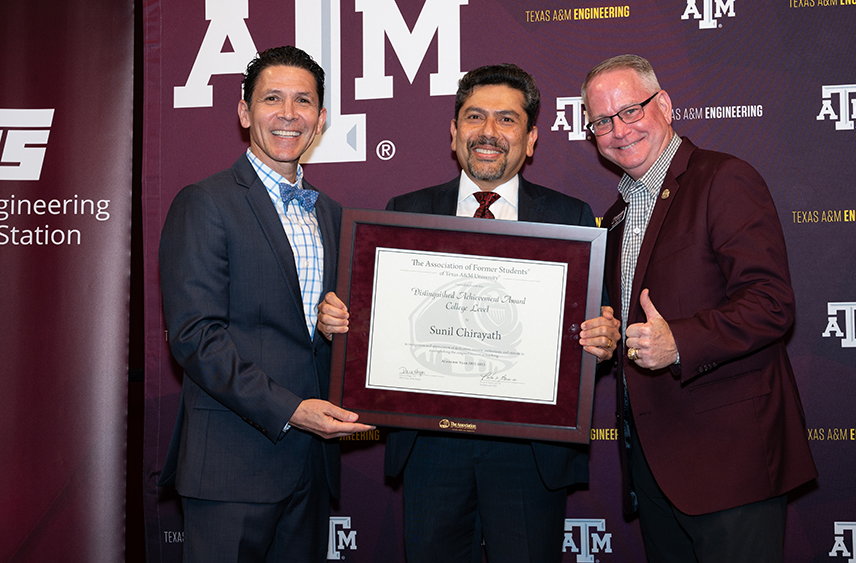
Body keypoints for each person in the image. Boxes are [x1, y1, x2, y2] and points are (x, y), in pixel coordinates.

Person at [355, 63, 618, 563]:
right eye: (474, 117)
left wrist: (602, 339)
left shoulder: (571, 218)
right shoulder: (403, 213)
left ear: (532, 137)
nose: (489, 132)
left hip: (530, 450)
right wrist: (347, 324)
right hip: (431, 446)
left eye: (507, 119)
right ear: (454, 132)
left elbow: (592, 330)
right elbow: (376, 329)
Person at [580, 54, 817, 562]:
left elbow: (771, 304)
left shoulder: (722, 178)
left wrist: (679, 342)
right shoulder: (616, 217)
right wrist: (606, 341)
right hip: (653, 465)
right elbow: (629, 330)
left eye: (630, 111)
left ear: (663, 104)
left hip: (730, 463)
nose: (617, 130)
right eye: (601, 121)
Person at [158, 45, 373, 562]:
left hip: (311, 467)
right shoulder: (205, 202)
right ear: (243, 111)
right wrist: (292, 410)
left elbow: (322, 328)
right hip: (232, 462)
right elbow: (195, 336)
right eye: (272, 98)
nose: (288, 113)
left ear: (321, 119)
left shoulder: (333, 213)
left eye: (304, 101)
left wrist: (333, 326)